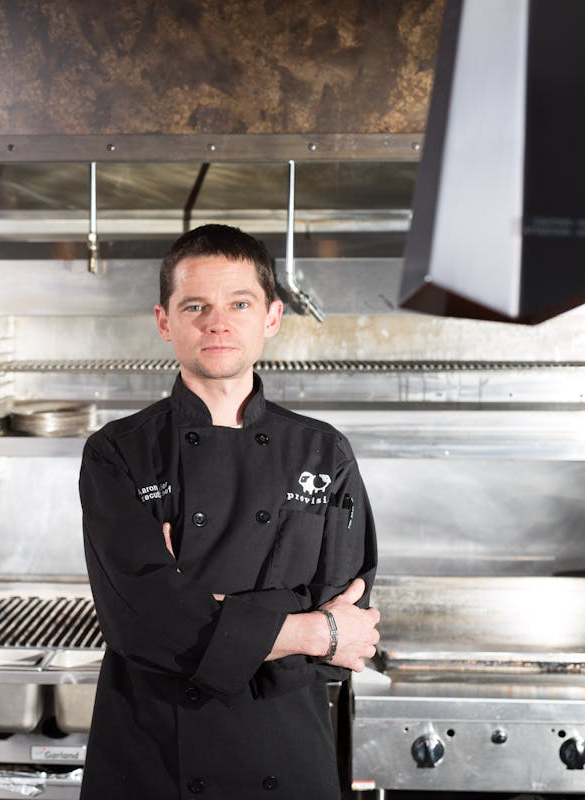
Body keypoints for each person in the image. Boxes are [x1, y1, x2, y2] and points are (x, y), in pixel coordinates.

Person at [79, 224, 380, 799]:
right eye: (195, 305)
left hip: (286, 749)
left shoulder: (323, 451)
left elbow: (351, 621)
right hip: (155, 757)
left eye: (239, 303)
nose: (217, 322)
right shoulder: (119, 452)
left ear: (271, 317)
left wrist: (194, 600)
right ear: (165, 321)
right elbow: (140, 623)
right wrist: (310, 628)